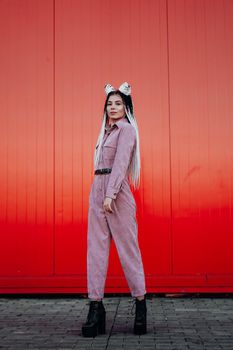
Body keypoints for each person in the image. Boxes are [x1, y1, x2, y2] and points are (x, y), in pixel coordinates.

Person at [82, 82, 147, 337]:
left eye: (118, 103)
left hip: (116, 195)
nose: (113, 107)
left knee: (128, 251)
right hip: (97, 191)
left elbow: (120, 165)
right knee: (95, 252)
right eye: (109, 103)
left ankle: (141, 305)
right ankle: (95, 308)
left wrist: (110, 195)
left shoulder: (127, 130)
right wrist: (99, 196)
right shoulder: (104, 133)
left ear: (126, 106)